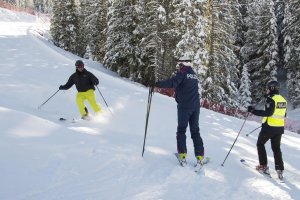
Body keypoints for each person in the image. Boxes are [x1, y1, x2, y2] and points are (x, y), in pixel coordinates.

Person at [154, 56, 204, 166]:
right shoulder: (193, 74)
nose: (179, 66)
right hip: (195, 107)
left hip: (184, 107)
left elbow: (173, 82)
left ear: (184, 64)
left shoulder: (183, 73)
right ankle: (200, 157)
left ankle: (182, 156)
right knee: (195, 131)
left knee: (181, 131)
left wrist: (157, 84)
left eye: (180, 64)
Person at [247, 80, 287, 179]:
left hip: (269, 128)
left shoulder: (271, 99)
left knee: (260, 144)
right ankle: (280, 169)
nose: (266, 90)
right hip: (279, 128)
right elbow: (284, 114)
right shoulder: (283, 100)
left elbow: (268, 113)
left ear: (272, 88)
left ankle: (263, 166)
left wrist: (253, 111)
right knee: (276, 148)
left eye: (268, 88)